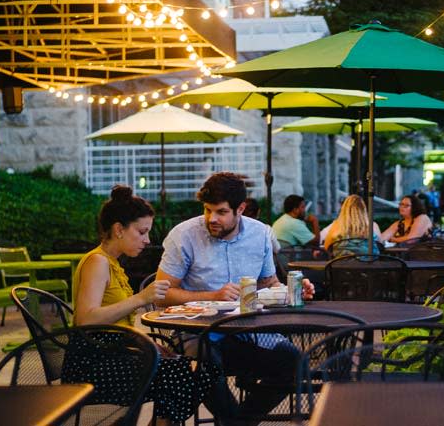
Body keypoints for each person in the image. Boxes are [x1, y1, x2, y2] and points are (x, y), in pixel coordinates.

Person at [155, 172, 315, 420]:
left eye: (220, 212)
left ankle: (239, 422)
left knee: (294, 362)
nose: (212, 218)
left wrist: (291, 290)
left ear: (240, 209)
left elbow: (268, 283)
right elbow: (161, 295)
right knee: (207, 367)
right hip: (198, 331)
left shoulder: (260, 234)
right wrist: (212, 295)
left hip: (249, 329)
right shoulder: (184, 235)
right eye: (207, 210)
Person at [73, 185, 213, 425]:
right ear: (119, 229)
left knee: (202, 370)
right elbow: (85, 320)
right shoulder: (97, 262)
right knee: (182, 375)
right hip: (94, 361)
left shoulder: (111, 263)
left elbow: (115, 321)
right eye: (142, 232)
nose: (148, 240)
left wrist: (146, 342)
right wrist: (141, 298)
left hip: (115, 353)